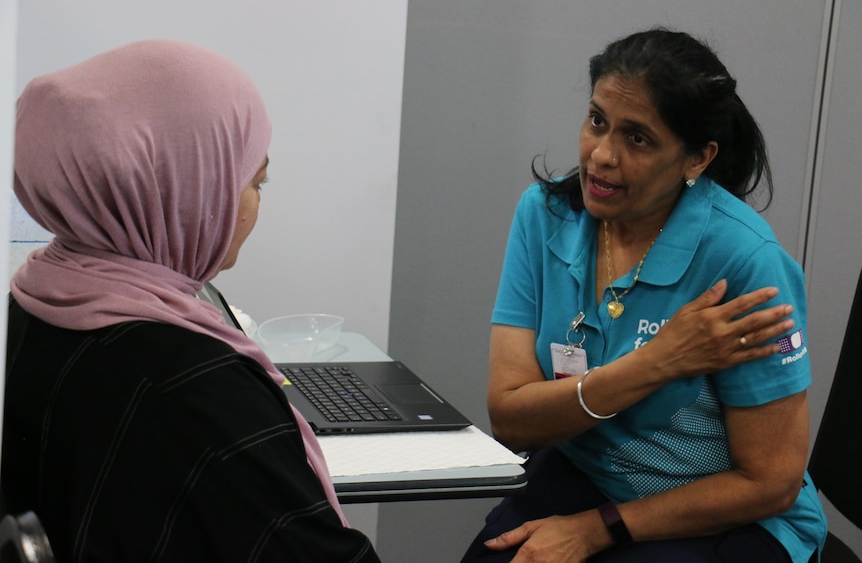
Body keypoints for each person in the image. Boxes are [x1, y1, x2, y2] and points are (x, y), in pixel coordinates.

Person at [2, 40, 380, 562]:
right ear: (184, 188)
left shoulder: (33, 301)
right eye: (254, 181)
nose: (251, 207)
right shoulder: (193, 388)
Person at [461, 28, 826, 563]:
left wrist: (595, 530)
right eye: (597, 121)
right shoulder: (545, 216)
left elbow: (770, 483)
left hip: (720, 512)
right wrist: (657, 363)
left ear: (696, 159)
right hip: (587, 472)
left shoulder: (745, 262)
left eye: (638, 139)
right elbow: (512, 421)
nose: (602, 156)